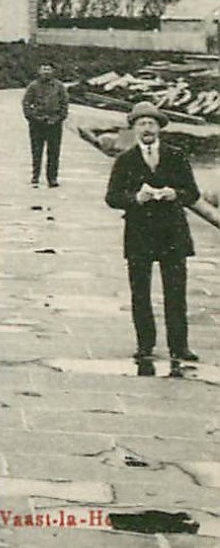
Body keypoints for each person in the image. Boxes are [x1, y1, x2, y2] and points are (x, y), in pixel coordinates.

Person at [104, 102, 200, 363]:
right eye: (142, 124)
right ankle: (145, 345)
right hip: (139, 233)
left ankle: (179, 347)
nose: (147, 129)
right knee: (141, 292)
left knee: (176, 293)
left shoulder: (176, 155)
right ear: (134, 129)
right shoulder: (125, 160)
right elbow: (111, 197)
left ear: (159, 128)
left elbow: (193, 193)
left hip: (173, 233)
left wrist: (174, 194)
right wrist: (135, 198)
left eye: (151, 124)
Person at [22, 63, 70, 187]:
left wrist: (58, 118)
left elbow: (65, 104)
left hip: (54, 124)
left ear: (53, 71)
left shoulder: (59, 87)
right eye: (43, 69)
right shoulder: (33, 86)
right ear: (39, 71)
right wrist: (33, 118)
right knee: (37, 151)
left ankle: (52, 178)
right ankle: (35, 175)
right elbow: (26, 103)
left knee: (54, 152)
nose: (46, 72)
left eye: (49, 69)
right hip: (37, 124)